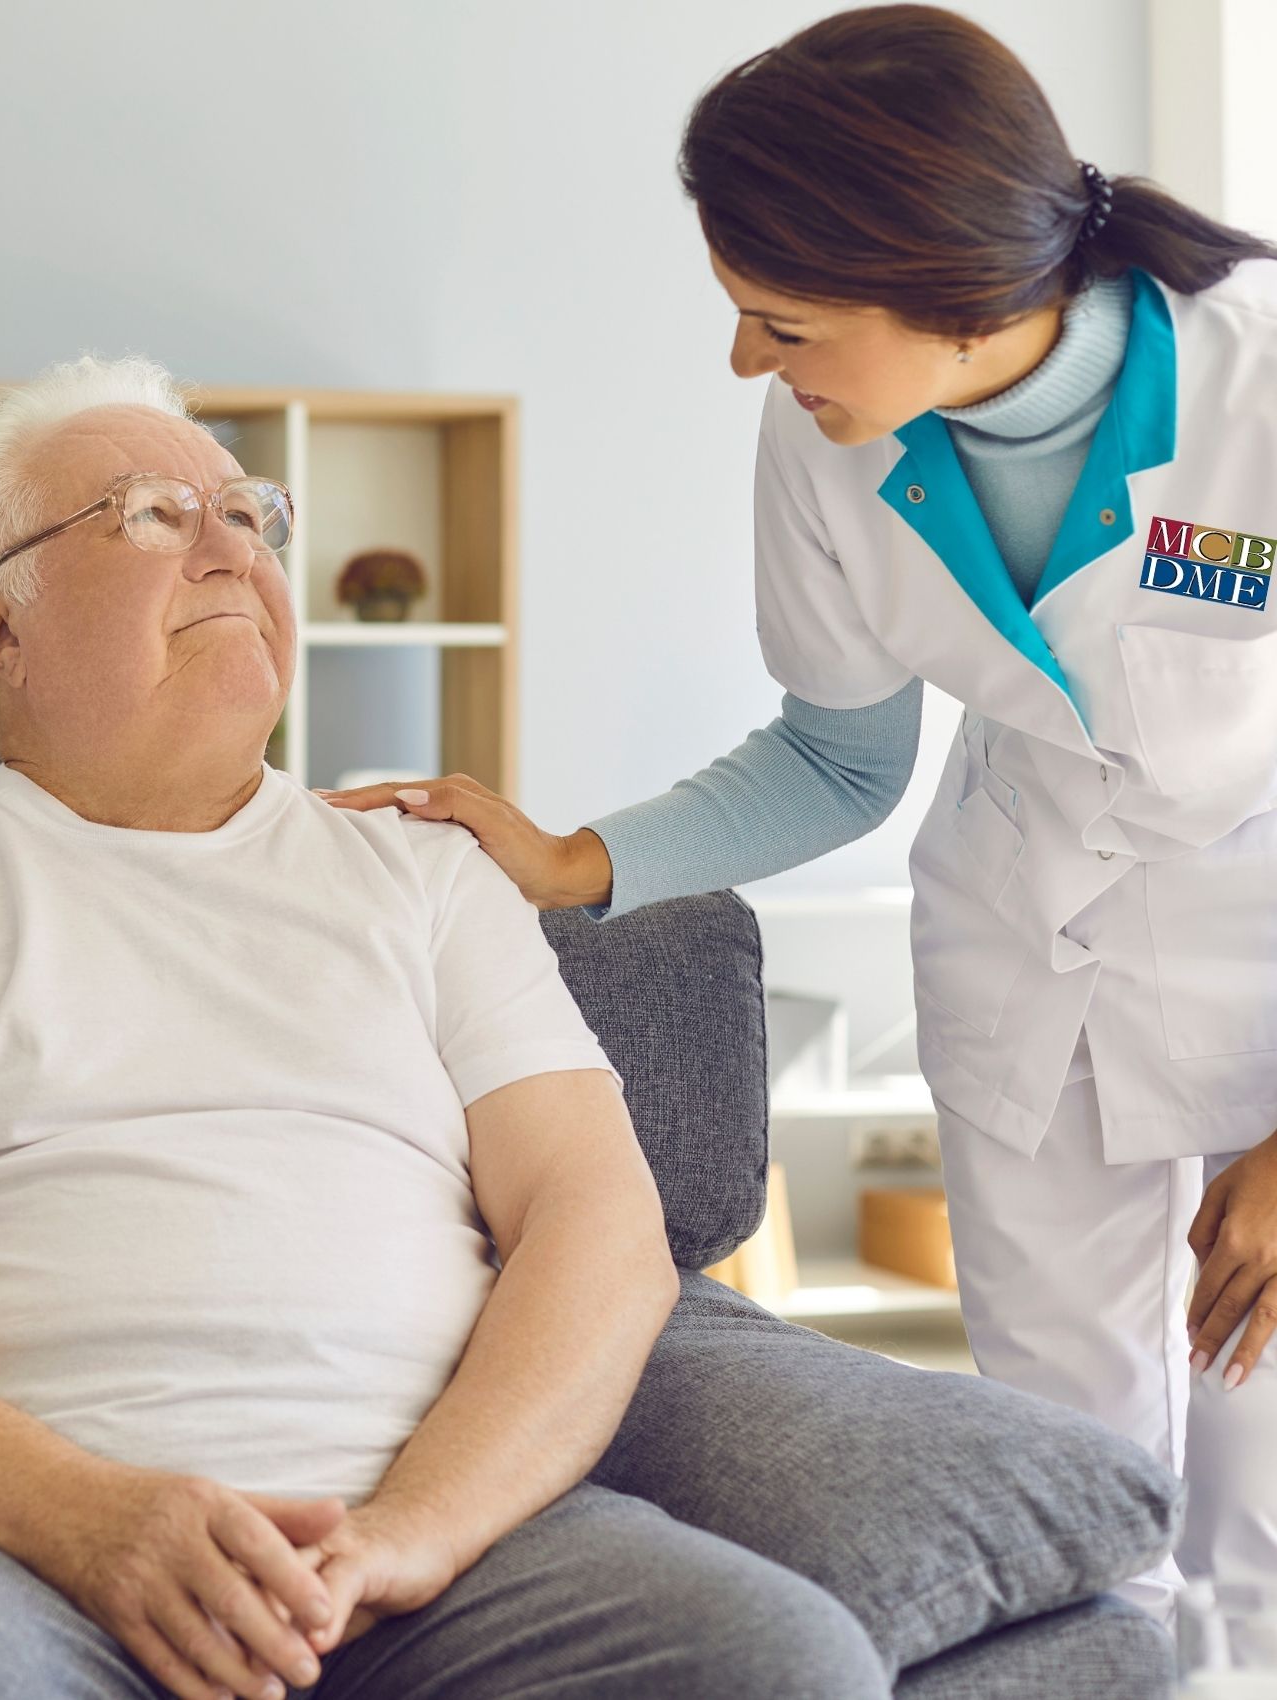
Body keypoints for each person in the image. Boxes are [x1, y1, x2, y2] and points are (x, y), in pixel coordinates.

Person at [0, 354, 890, 1700]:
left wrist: (408, 1536)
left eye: (250, 514)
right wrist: (87, 1520)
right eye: (150, 513)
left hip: (437, 1548)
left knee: (782, 1663)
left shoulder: (424, 873)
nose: (227, 546)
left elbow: (599, 1231)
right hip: (9, 1551)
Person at [320, 2, 1277, 1660]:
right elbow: (839, 764)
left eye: (781, 320)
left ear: (954, 291)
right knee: (1073, 1476)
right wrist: (576, 864)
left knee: (1261, 1510)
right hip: (1029, 960)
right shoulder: (828, 443)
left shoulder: (1259, 382)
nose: (750, 364)